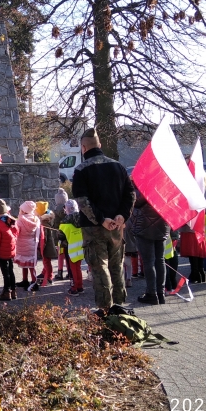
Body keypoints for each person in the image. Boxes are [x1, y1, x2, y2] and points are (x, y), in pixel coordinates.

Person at [71, 128, 135, 315]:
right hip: (117, 226)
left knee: (100, 268)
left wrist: (101, 219)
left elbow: (82, 201)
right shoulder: (118, 166)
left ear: (83, 148)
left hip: (95, 228)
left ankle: (105, 309)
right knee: (116, 266)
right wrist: (122, 215)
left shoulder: (81, 170)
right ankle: (120, 305)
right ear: (99, 145)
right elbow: (130, 194)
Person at [127, 187, 170, 305]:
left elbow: (134, 201)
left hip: (144, 227)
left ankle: (152, 293)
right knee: (160, 260)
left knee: (149, 262)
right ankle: (160, 293)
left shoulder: (143, 186)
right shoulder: (164, 186)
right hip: (162, 225)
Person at [0, 199, 18, 301]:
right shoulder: (10, 221)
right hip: (11, 250)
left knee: (5, 273)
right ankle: (14, 291)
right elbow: (16, 233)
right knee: (11, 271)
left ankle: (7, 292)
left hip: (3, 252)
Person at [58, 199, 85, 296]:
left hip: (70, 248)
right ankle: (80, 286)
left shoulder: (64, 222)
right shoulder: (83, 219)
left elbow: (60, 236)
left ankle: (74, 288)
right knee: (78, 268)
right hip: (81, 247)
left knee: (72, 269)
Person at [15, 201, 43, 291]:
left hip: (21, 244)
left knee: (24, 264)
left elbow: (17, 232)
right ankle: (32, 280)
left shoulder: (19, 221)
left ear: (23, 210)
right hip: (32, 244)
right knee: (30, 264)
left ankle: (26, 280)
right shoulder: (36, 219)